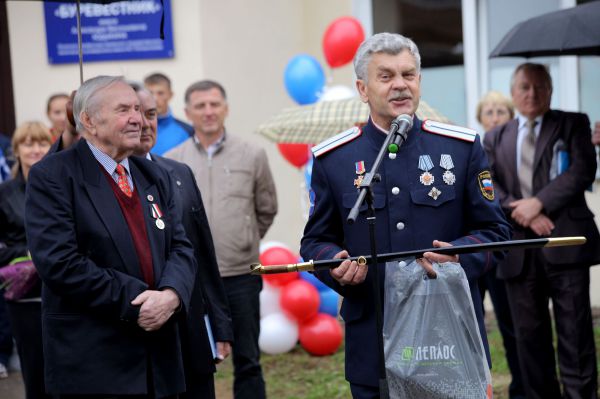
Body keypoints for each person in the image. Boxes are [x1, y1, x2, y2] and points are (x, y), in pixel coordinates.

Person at [300, 32, 511, 398]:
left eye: (408, 75)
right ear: (363, 89)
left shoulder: (459, 148)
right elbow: (315, 241)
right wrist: (336, 264)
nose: (400, 85)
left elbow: (496, 231)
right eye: (386, 76)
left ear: (419, 82)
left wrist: (459, 256)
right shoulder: (334, 159)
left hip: (450, 335)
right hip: (373, 339)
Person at [25, 75, 196, 398]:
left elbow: (181, 247)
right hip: (96, 363)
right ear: (88, 121)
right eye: (123, 110)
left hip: (160, 362)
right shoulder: (53, 176)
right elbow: (60, 263)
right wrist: (140, 302)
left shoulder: (154, 175)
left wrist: (171, 295)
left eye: (138, 108)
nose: (137, 118)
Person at [483, 63, 600, 399]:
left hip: (566, 244)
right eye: (524, 87)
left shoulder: (572, 123)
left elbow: (582, 171)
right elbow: (488, 185)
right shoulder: (494, 137)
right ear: (513, 92)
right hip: (518, 251)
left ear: (549, 90)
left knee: (575, 333)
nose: (531, 93)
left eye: (540, 86)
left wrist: (539, 202)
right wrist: (525, 212)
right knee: (528, 339)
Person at [165, 80, 277, 399]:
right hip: (192, 279)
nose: (208, 111)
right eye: (200, 106)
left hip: (240, 274)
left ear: (226, 108)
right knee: (192, 361)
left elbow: (266, 209)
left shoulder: (252, 153)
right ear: (187, 113)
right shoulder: (173, 161)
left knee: (248, 360)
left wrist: (244, 239)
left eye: (215, 104)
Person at [131, 85, 234, 399]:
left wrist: (220, 324)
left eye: (152, 114)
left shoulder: (179, 173)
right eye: (137, 115)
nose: (146, 124)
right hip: (140, 328)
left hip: (189, 324)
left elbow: (202, 252)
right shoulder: (105, 180)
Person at [476, 91, 525, 399]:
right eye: (489, 112)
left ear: (510, 117)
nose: (494, 117)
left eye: (501, 112)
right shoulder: (469, 150)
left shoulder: (515, 150)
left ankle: (521, 386)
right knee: (471, 323)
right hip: (469, 248)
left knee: (510, 324)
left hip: (501, 248)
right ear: (481, 118)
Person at [0, 121, 53, 397]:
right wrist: (28, 252)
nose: (35, 150)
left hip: (63, 289)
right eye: (28, 144)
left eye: (42, 143)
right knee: (34, 370)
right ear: (16, 150)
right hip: (25, 296)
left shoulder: (61, 186)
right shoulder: (4, 193)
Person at [144, 73, 193, 155]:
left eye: (160, 93)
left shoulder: (188, 131)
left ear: (170, 95)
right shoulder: (135, 129)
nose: (155, 98)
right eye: (150, 93)